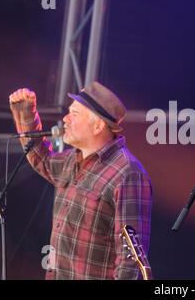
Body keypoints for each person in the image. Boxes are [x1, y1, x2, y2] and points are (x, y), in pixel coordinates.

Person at [9, 81, 152, 280]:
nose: (65, 119)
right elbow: (40, 158)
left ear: (98, 125)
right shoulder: (71, 159)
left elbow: (131, 259)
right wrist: (26, 113)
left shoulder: (127, 173)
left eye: (74, 114)